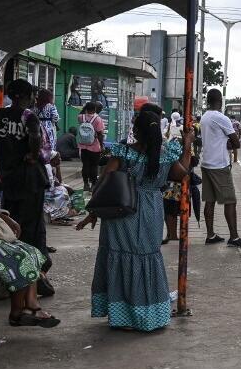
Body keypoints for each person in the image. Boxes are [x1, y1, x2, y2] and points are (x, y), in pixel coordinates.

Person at [75, 111, 194, 331]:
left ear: (135, 130)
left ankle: (123, 316)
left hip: (122, 211)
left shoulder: (123, 153)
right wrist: (187, 144)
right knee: (146, 257)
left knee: (119, 257)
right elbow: (182, 174)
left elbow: (104, 182)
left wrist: (93, 212)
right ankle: (147, 314)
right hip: (151, 211)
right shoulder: (165, 155)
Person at [0, 79, 54, 296]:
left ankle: (21, 275)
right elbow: (36, 137)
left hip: (8, 180)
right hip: (31, 179)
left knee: (12, 227)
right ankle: (37, 275)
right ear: (28, 96)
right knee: (33, 228)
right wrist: (33, 154)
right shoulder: (28, 116)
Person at [0, 201, 60, 327]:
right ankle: (17, 313)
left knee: (31, 251)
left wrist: (4, 216)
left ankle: (31, 305)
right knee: (18, 258)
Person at [199, 89, 241, 247]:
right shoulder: (221, 118)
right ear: (220, 101)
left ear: (208, 101)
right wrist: (228, 143)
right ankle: (234, 237)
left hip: (206, 164)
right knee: (230, 201)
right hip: (219, 165)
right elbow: (236, 143)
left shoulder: (204, 117)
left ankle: (210, 235)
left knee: (209, 201)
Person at [34, 88, 62, 182]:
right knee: (51, 151)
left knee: (41, 149)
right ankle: (52, 175)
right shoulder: (51, 106)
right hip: (48, 128)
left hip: (37, 127)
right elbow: (55, 118)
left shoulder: (34, 105)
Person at [77, 101, 105, 191]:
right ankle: (93, 185)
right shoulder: (98, 119)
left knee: (85, 165)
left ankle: (85, 184)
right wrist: (102, 145)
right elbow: (100, 134)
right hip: (94, 146)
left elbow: (81, 113)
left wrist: (84, 109)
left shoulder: (81, 117)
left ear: (86, 108)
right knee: (94, 166)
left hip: (83, 146)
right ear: (95, 109)